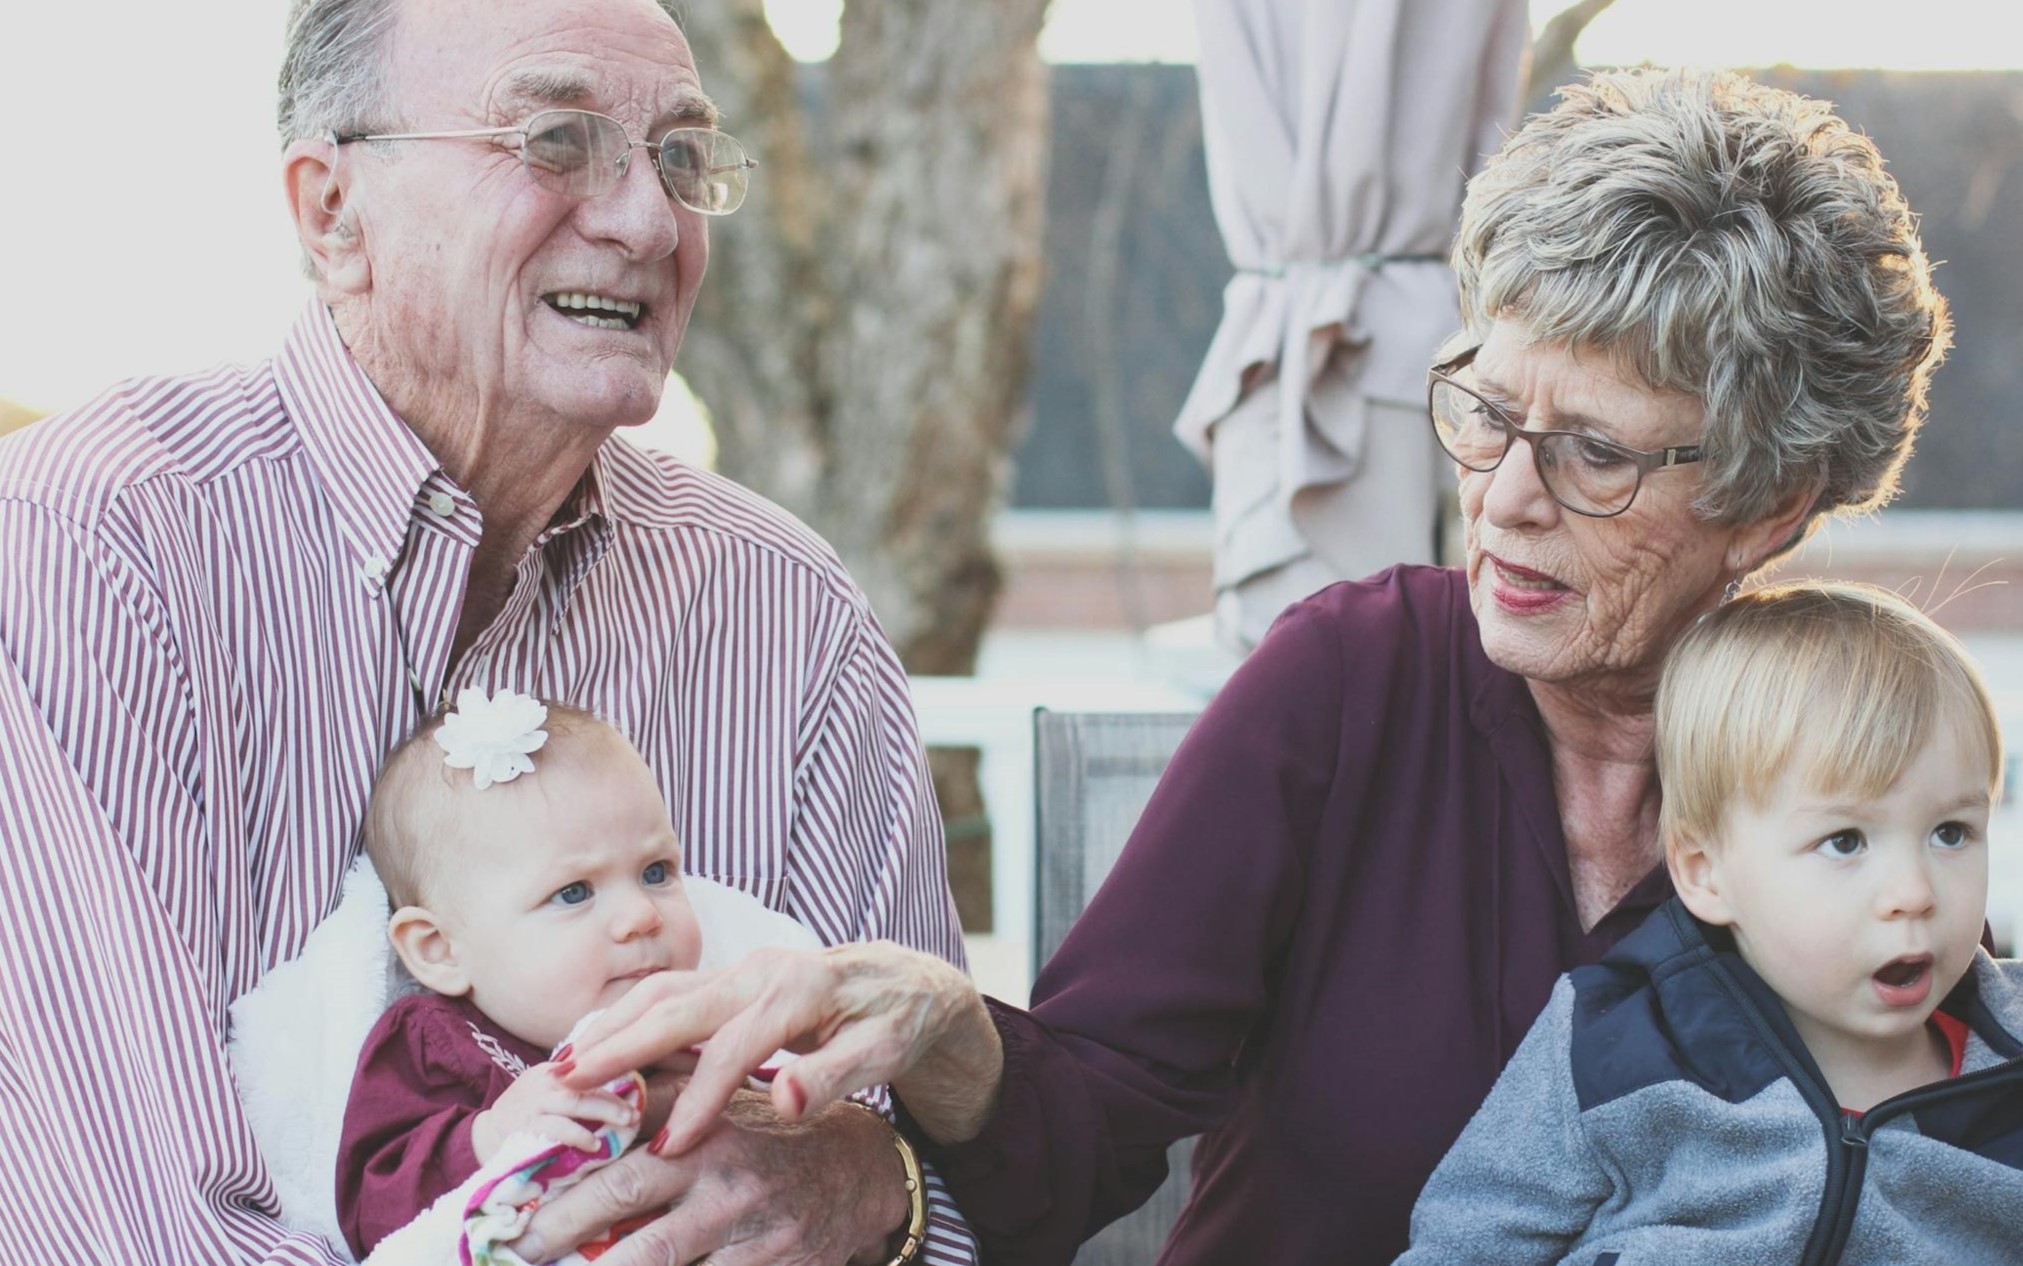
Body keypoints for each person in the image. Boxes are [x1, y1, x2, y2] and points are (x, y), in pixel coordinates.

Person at [544, 67, 1958, 1266]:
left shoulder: (1859, 760)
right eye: (1481, 407)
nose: (1505, 496)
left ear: (1769, 504)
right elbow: (1078, 1130)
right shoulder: (1354, 678)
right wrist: (944, 1023)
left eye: (1591, 451)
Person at [0, 1, 974, 1262]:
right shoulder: (88, 552)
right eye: (556, 140)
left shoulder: (784, 609)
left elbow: (943, 1170)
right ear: (330, 213)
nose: (646, 222)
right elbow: (125, 1231)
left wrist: (875, 1185)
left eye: (680, 157)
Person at [1397, 583, 2023, 1264]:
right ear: (1703, 872)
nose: (1912, 892)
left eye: (1950, 832)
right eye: (1844, 841)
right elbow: (1464, 1243)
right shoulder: (1615, 1044)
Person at [336, 692, 702, 1256]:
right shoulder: (439, 1042)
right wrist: (489, 1137)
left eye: (657, 871)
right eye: (574, 892)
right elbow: (371, 1205)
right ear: (440, 950)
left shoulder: (703, 1021)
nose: (642, 915)